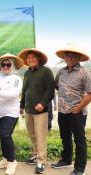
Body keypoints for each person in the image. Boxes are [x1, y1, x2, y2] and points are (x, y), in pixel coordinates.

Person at [51, 43, 91, 175]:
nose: (70, 58)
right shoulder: (61, 72)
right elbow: (56, 86)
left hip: (77, 112)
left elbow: (90, 93)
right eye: (68, 56)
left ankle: (79, 169)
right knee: (65, 137)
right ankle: (66, 160)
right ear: (65, 57)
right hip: (62, 111)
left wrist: (78, 108)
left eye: (74, 56)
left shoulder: (84, 73)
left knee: (79, 140)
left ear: (79, 58)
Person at [19, 48, 54, 174]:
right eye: (28, 58)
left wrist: (43, 103)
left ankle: (41, 160)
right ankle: (36, 153)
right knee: (32, 134)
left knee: (40, 136)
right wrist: (21, 106)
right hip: (28, 109)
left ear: (38, 59)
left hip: (41, 111)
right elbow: (25, 90)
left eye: (33, 57)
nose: (30, 59)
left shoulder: (46, 72)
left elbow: (50, 90)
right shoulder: (27, 73)